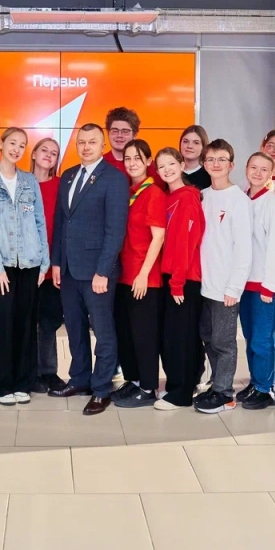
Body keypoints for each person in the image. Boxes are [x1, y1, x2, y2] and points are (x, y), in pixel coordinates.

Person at [49, 124, 128, 415]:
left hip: (97, 272)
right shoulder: (69, 175)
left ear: (103, 146)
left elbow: (115, 230)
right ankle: (80, 379)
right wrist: (57, 262)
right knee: (74, 328)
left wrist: (103, 271)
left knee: (103, 331)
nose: (85, 147)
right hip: (69, 269)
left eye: (92, 142)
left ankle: (101, 388)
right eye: (81, 142)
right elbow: (61, 223)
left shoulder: (114, 179)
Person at [0, 128, 49, 406]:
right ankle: (3, 386)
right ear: (1, 144)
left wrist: (44, 263)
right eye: (12, 143)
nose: (16, 149)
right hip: (2, 265)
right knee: (2, 324)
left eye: (22, 145)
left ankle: (22, 383)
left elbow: (40, 223)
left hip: (30, 263)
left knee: (26, 325)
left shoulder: (30, 181)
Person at [195, 139, 252, 414]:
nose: (215, 164)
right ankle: (217, 384)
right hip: (203, 284)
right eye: (210, 159)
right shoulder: (202, 196)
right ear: (204, 164)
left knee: (224, 341)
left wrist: (234, 287)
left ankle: (225, 394)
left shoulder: (239, 200)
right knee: (208, 337)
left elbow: (244, 249)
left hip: (225, 287)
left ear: (231, 164)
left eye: (221, 159)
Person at [152, 147, 206, 411]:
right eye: (162, 166)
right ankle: (184, 384)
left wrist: (177, 283)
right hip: (173, 277)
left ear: (182, 164)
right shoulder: (168, 197)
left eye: (171, 164)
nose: (167, 170)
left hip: (183, 279)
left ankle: (180, 394)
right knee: (180, 335)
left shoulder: (187, 198)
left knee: (179, 338)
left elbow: (186, 243)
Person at [113, 139, 166, 408]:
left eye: (138, 158)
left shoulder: (153, 193)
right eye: (128, 158)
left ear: (148, 161)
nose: (132, 163)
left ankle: (147, 387)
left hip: (144, 277)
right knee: (127, 332)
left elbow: (158, 237)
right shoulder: (128, 191)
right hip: (124, 274)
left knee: (144, 335)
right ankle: (133, 380)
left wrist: (144, 274)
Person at [237, 152, 275, 411]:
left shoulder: (271, 203)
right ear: (246, 169)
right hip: (244, 284)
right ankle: (255, 382)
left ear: (271, 173)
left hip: (264, 286)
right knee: (249, 337)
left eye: (263, 169)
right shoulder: (243, 199)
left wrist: (270, 285)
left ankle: (265, 387)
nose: (257, 173)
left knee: (262, 339)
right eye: (253, 167)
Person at [29, 137, 66, 394]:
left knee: (49, 320)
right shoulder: (20, 182)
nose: (49, 155)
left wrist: (58, 262)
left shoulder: (61, 185)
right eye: (44, 150)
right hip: (25, 264)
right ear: (33, 153)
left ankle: (49, 371)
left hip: (53, 264)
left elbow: (64, 226)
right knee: (26, 320)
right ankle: (29, 372)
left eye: (54, 153)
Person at [103, 107, 160, 182]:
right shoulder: (99, 163)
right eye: (115, 131)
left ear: (134, 135)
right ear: (108, 133)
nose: (119, 135)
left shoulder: (148, 165)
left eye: (125, 131)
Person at [179, 125, 212, 191]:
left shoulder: (210, 175)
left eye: (196, 143)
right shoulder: (172, 172)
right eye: (185, 141)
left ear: (204, 147)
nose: (189, 146)